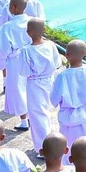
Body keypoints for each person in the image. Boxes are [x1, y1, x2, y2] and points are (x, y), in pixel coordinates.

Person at [19, 16, 61, 147]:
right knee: (45, 112)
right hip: (49, 81)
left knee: (37, 115)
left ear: (28, 32)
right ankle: (47, 144)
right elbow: (57, 63)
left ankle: (44, 147)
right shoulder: (51, 46)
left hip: (34, 83)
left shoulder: (26, 50)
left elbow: (24, 71)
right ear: (44, 29)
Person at [53, 40, 86, 144]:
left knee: (67, 148)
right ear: (85, 53)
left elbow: (54, 99)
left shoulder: (62, 76)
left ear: (66, 55)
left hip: (67, 117)